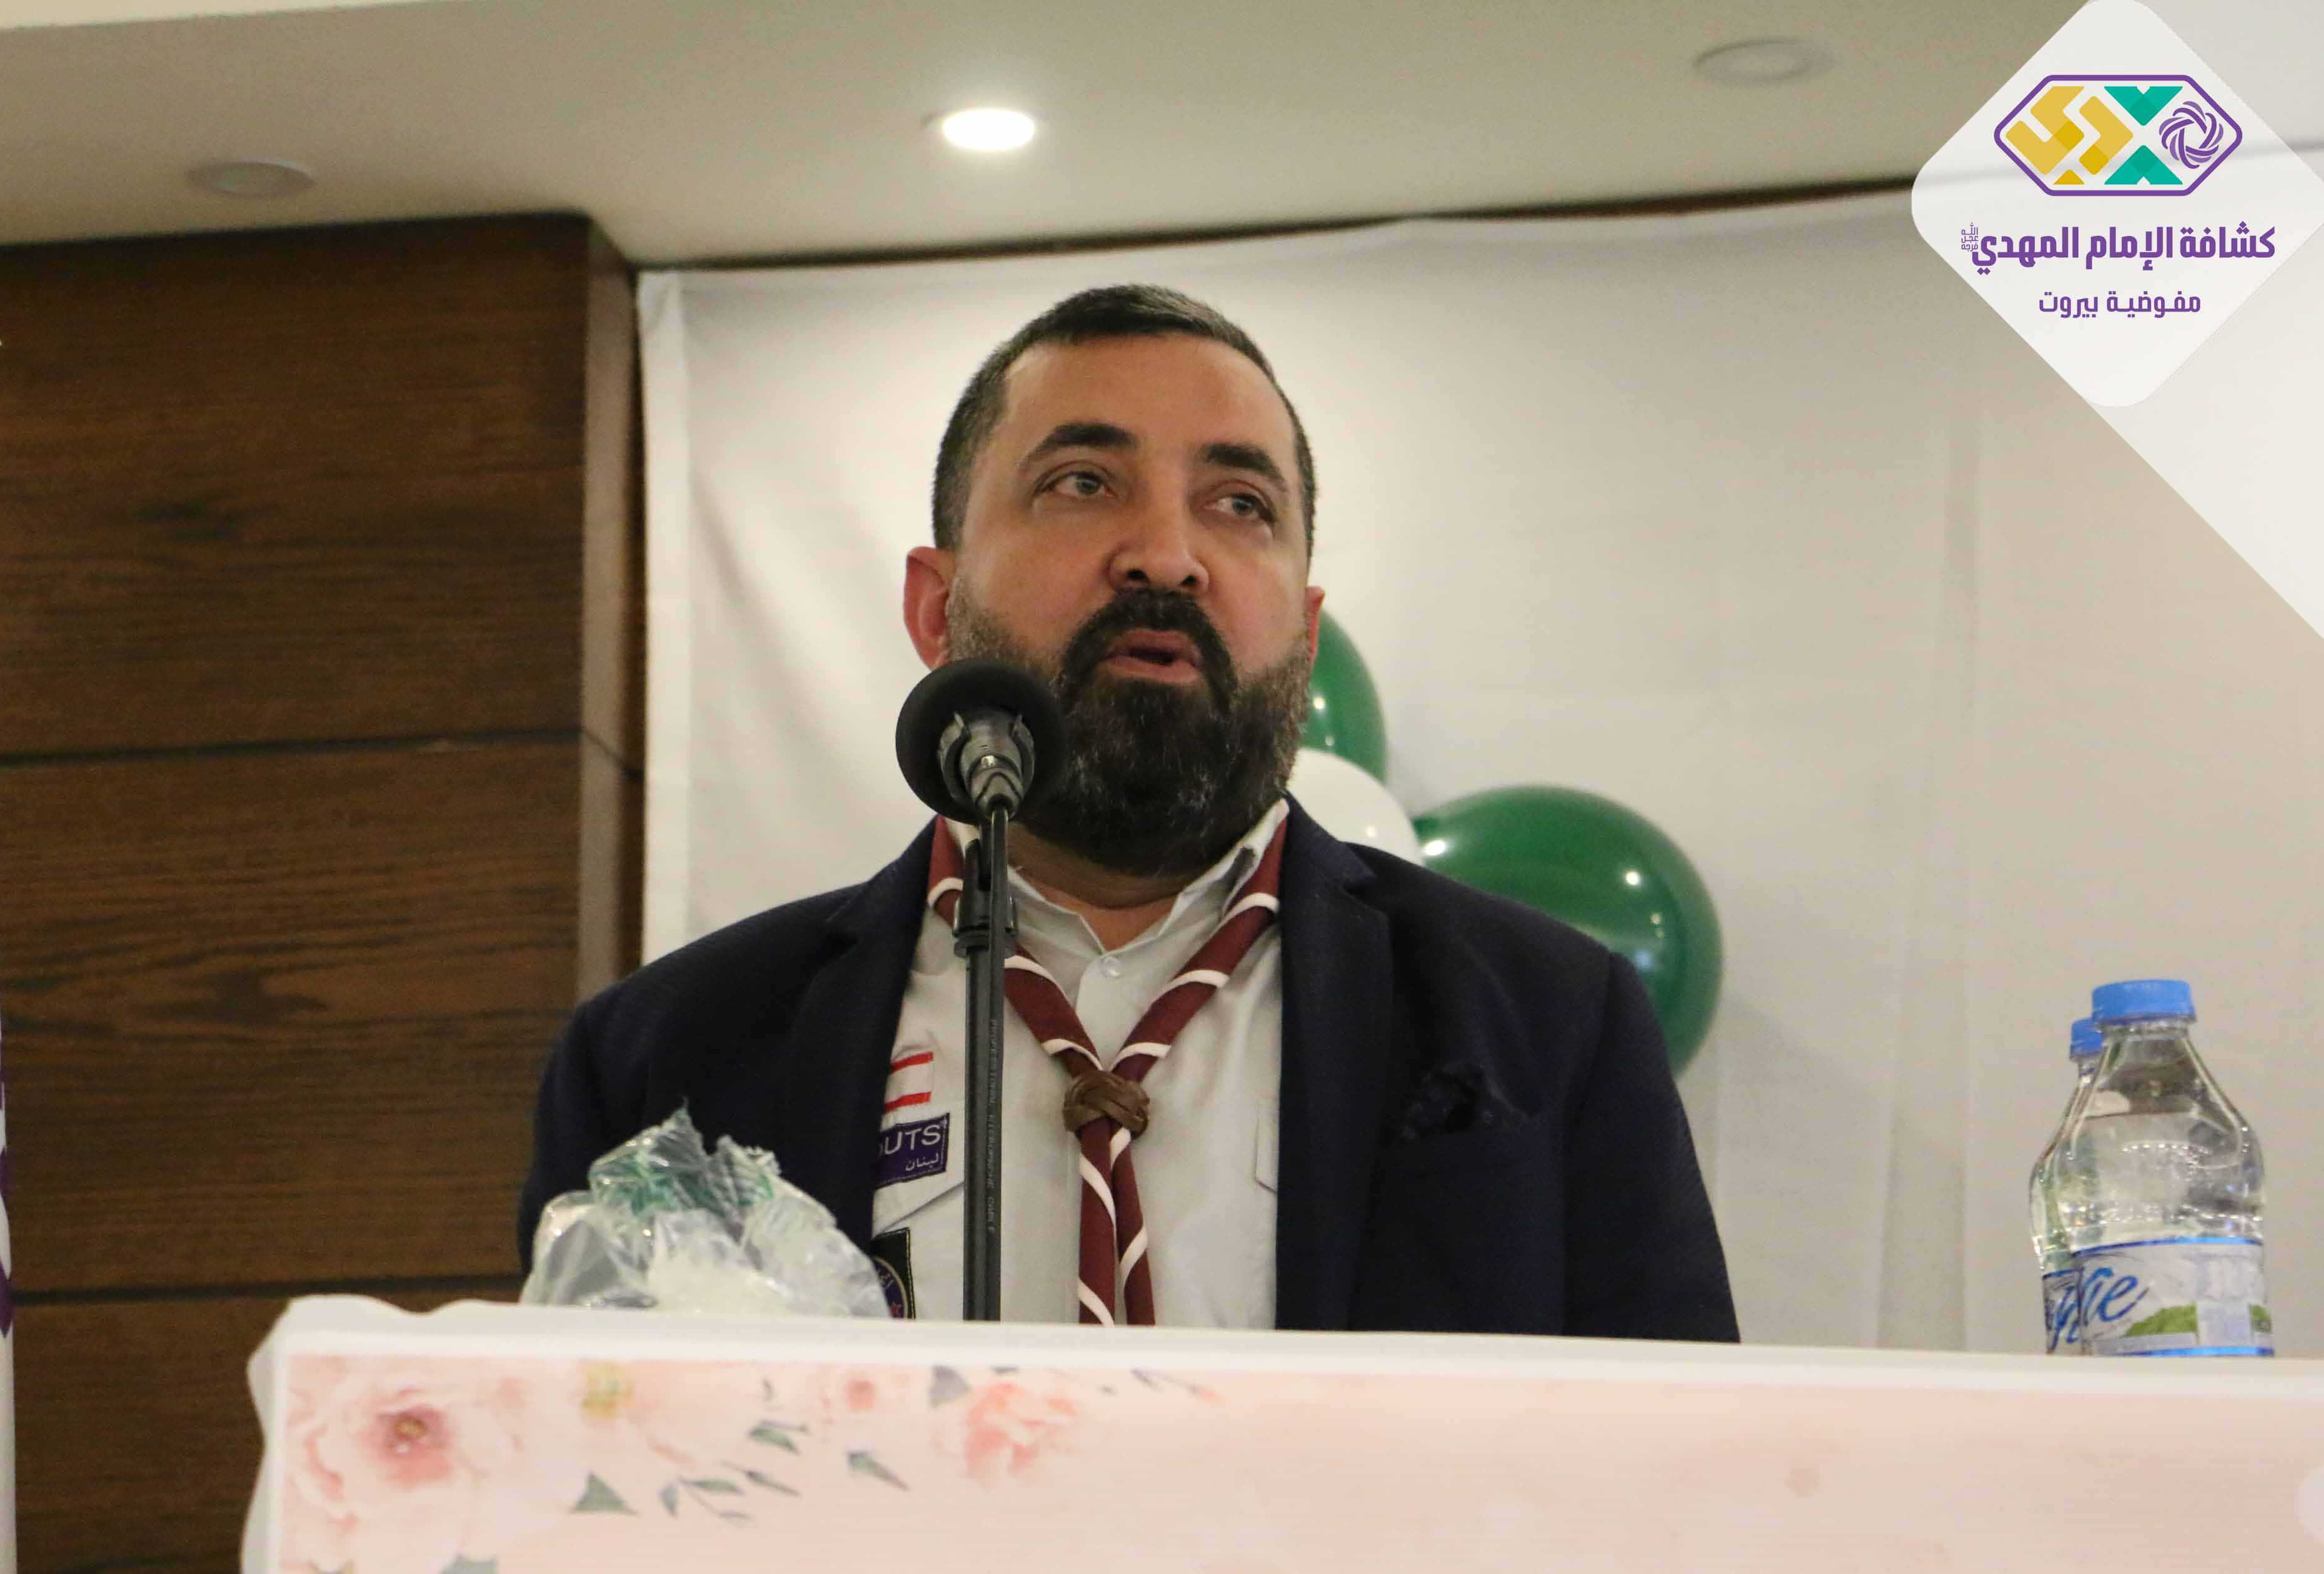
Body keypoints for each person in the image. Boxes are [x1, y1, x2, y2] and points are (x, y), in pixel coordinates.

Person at [521, 283, 1736, 1340]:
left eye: (1240, 503)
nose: (1166, 554)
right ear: (936, 608)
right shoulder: (666, 1062)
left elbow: (1676, 1482)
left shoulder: (1552, 1027)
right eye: (1083, 483)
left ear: (1305, 634)